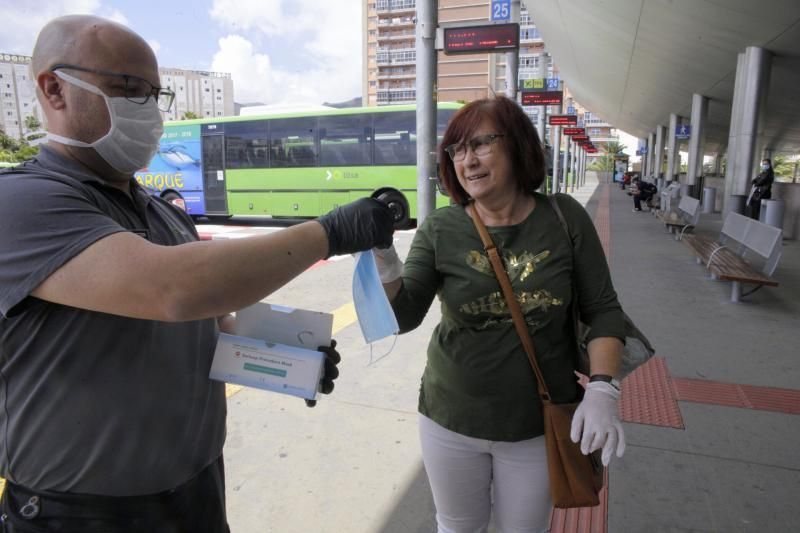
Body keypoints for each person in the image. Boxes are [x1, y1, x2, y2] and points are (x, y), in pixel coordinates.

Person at [0, 15, 393, 533]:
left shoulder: (161, 213)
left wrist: (286, 355)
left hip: (196, 490)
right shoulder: (22, 202)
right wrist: (331, 232)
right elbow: (174, 289)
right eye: (126, 89)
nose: (147, 110)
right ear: (53, 89)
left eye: (153, 94)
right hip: (82, 513)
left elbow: (206, 323)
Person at [373, 96, 626, 533]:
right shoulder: (441, 228)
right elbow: (403, 315)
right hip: (449, 417)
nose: (466, 161)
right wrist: (382, 254)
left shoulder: (563, 217)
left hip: (536, 423)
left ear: (518, 145)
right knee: (456, 527)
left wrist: (604, 389)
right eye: (456, 151)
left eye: (481, 144)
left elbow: (603, 310)